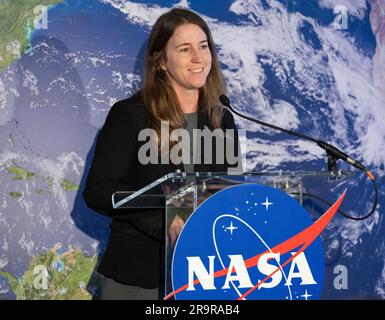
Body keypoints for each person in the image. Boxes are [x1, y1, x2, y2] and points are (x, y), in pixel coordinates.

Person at [83, 8, 241, 300]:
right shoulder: (131, 115)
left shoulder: (222, 118)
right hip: (138, 274)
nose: (198, 58)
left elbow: (227, 192)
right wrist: (168, 219)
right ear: (161, 62)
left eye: (203, 46)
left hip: (205, 274)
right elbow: (98, 191)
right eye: (185, 49)